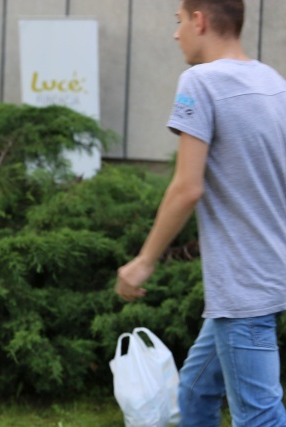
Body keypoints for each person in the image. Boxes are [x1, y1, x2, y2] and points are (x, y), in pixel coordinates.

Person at [115, 0, 286, 425]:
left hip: (242, 290)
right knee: (192, 399)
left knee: (260, 417)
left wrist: (144, 261)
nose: (176, 35)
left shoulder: (200, 81)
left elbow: (187, 187)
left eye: (178, 22)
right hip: (269, 275)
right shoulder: (273, 82)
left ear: (199, 20)